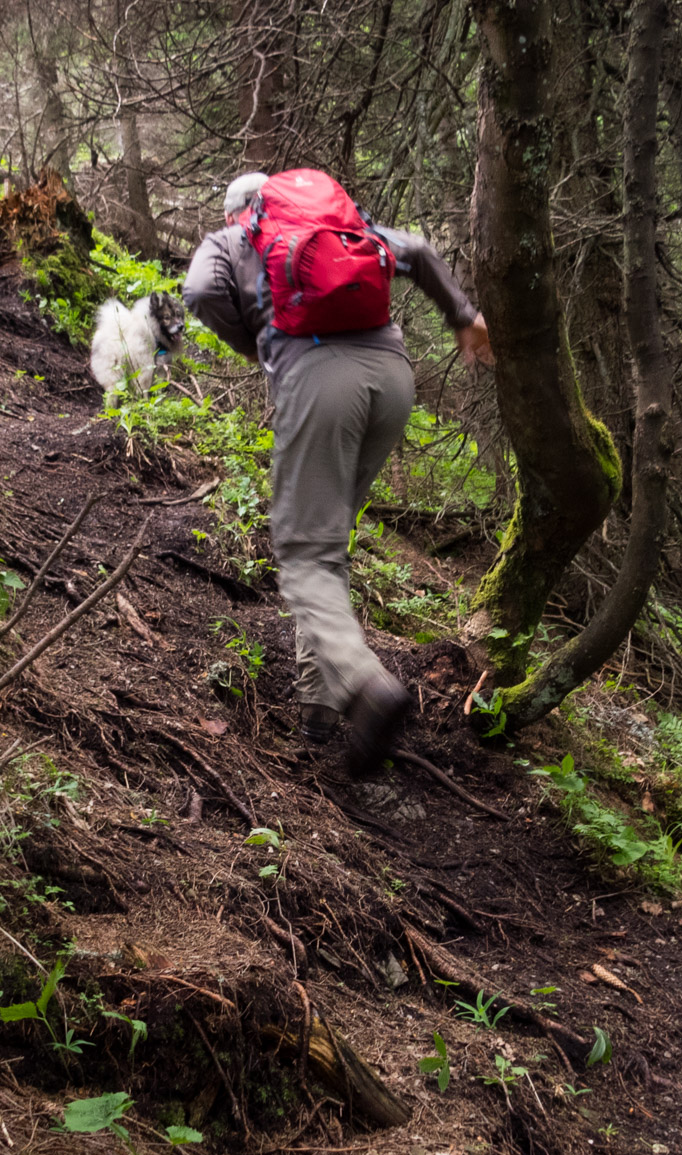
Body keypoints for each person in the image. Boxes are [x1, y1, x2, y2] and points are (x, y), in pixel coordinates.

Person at [185, 171, 493, 772]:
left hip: (322, 381)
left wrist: (254, 345)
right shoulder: (337, 224)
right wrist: (462, 313)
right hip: (392, 377)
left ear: (234, 213)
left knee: (305, 555)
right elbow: (420, 250)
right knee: (327, 539)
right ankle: (318, 709)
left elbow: (199, 292)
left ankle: (364, 684)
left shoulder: (233, 238)